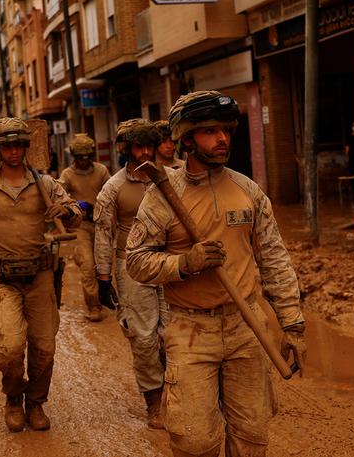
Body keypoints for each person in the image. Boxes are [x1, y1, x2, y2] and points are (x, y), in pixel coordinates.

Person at [126, 90, 306, 457]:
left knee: (252, 438)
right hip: (192, 331)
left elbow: (274, 259)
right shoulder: (161, 196)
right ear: (187, 139)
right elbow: (135, 262)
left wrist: (292, 323)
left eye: (226, 130)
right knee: (194, 442)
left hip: (246, 325)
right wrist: (183, 264)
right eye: (210, 131)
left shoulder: (248, 191)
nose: (222, 138)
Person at [0, 117, 81, 433]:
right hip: (4, 281)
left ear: (26, 147)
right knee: (9, 349)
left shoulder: (46, 185)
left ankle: (36, 403)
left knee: (44, 348)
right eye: (6, 145)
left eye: (18, 144)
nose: (13, 150)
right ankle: (13, 397)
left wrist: (65, 211)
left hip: (41, 279)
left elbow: (76, 215)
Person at [93, 118, 167, 429]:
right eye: (139, 146)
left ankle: (180, 393)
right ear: (126, 149)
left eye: (150, 145)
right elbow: (103, 233)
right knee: (144, 338)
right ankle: (154, 400)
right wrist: (103, 277)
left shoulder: (171, 179)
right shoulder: (113, 188)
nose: (146, 151)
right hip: (131, 268)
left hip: (170, 264)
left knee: (174, 334)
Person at [58, 133, 111, 322]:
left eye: (87, 157)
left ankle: (109, 298)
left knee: (105, 264)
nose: (84, 161)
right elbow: (59, 197)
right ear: (74, 157)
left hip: (102, 224)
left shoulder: (102, 171)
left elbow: (112, 193)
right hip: (80, 226)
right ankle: (94, 305)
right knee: (88, 265)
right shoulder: (67, 175)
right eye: (80, 158)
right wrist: (73, 204)